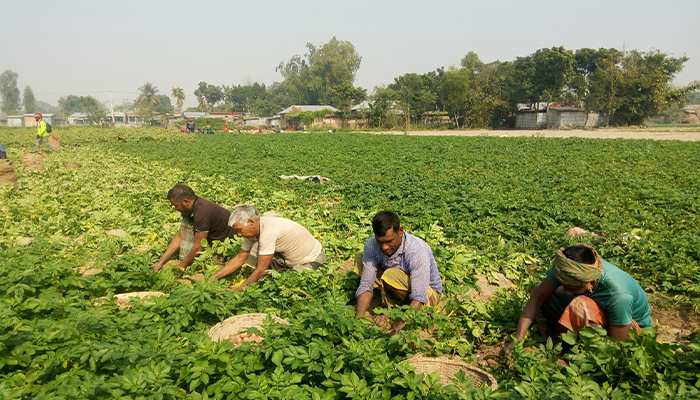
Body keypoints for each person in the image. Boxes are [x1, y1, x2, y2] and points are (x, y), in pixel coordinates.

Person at [502, 244, 652, 355]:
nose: (564, 289)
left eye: (570, 287)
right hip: (597, 311)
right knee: (539, 289)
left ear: (589, 284)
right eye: (563, 284)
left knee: (579, 306)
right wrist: (518, 338)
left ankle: (579, 352)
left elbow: (617, 343)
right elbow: (538, 298)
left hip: (630, 329)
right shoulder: (568, 268)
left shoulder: (619, 295)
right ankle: (551, 341)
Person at [355, 211, 443, 335]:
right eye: (380, 241)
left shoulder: (416, 251)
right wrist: (357, 321)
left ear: (400, 232)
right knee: (361, 259)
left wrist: (395, 332)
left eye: (389, 241)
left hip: (427, 292)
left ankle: (400, 311)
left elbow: (419, 297)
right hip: (398, 281)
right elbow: (366, 284)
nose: (384, 247)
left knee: (390, 275)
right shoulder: (372, 245)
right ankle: (392, 305)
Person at [211, 205, 326, 290]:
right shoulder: (254, 230)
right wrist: (214, 277)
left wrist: (239, 290)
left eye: (239, 230)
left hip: (311, 261)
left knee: (290, 286)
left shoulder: (268, 232)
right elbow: (240, 258)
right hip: (288, 259)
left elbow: (261, 269)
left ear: (251, 222)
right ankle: (255, 279)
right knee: (255, 247)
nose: (238, 234)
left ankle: (255, 282)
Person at [151, 184, 236, 271]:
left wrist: (182, 265)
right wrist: (161, 262)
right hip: (212, 239)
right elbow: (180, 236)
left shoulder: (201, 212)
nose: (175, 208)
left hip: (227, 243)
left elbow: (199, 246)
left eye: (176, 205)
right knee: (186, 226)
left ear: (185, 202)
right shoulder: (191, 207)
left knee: (211, 268)